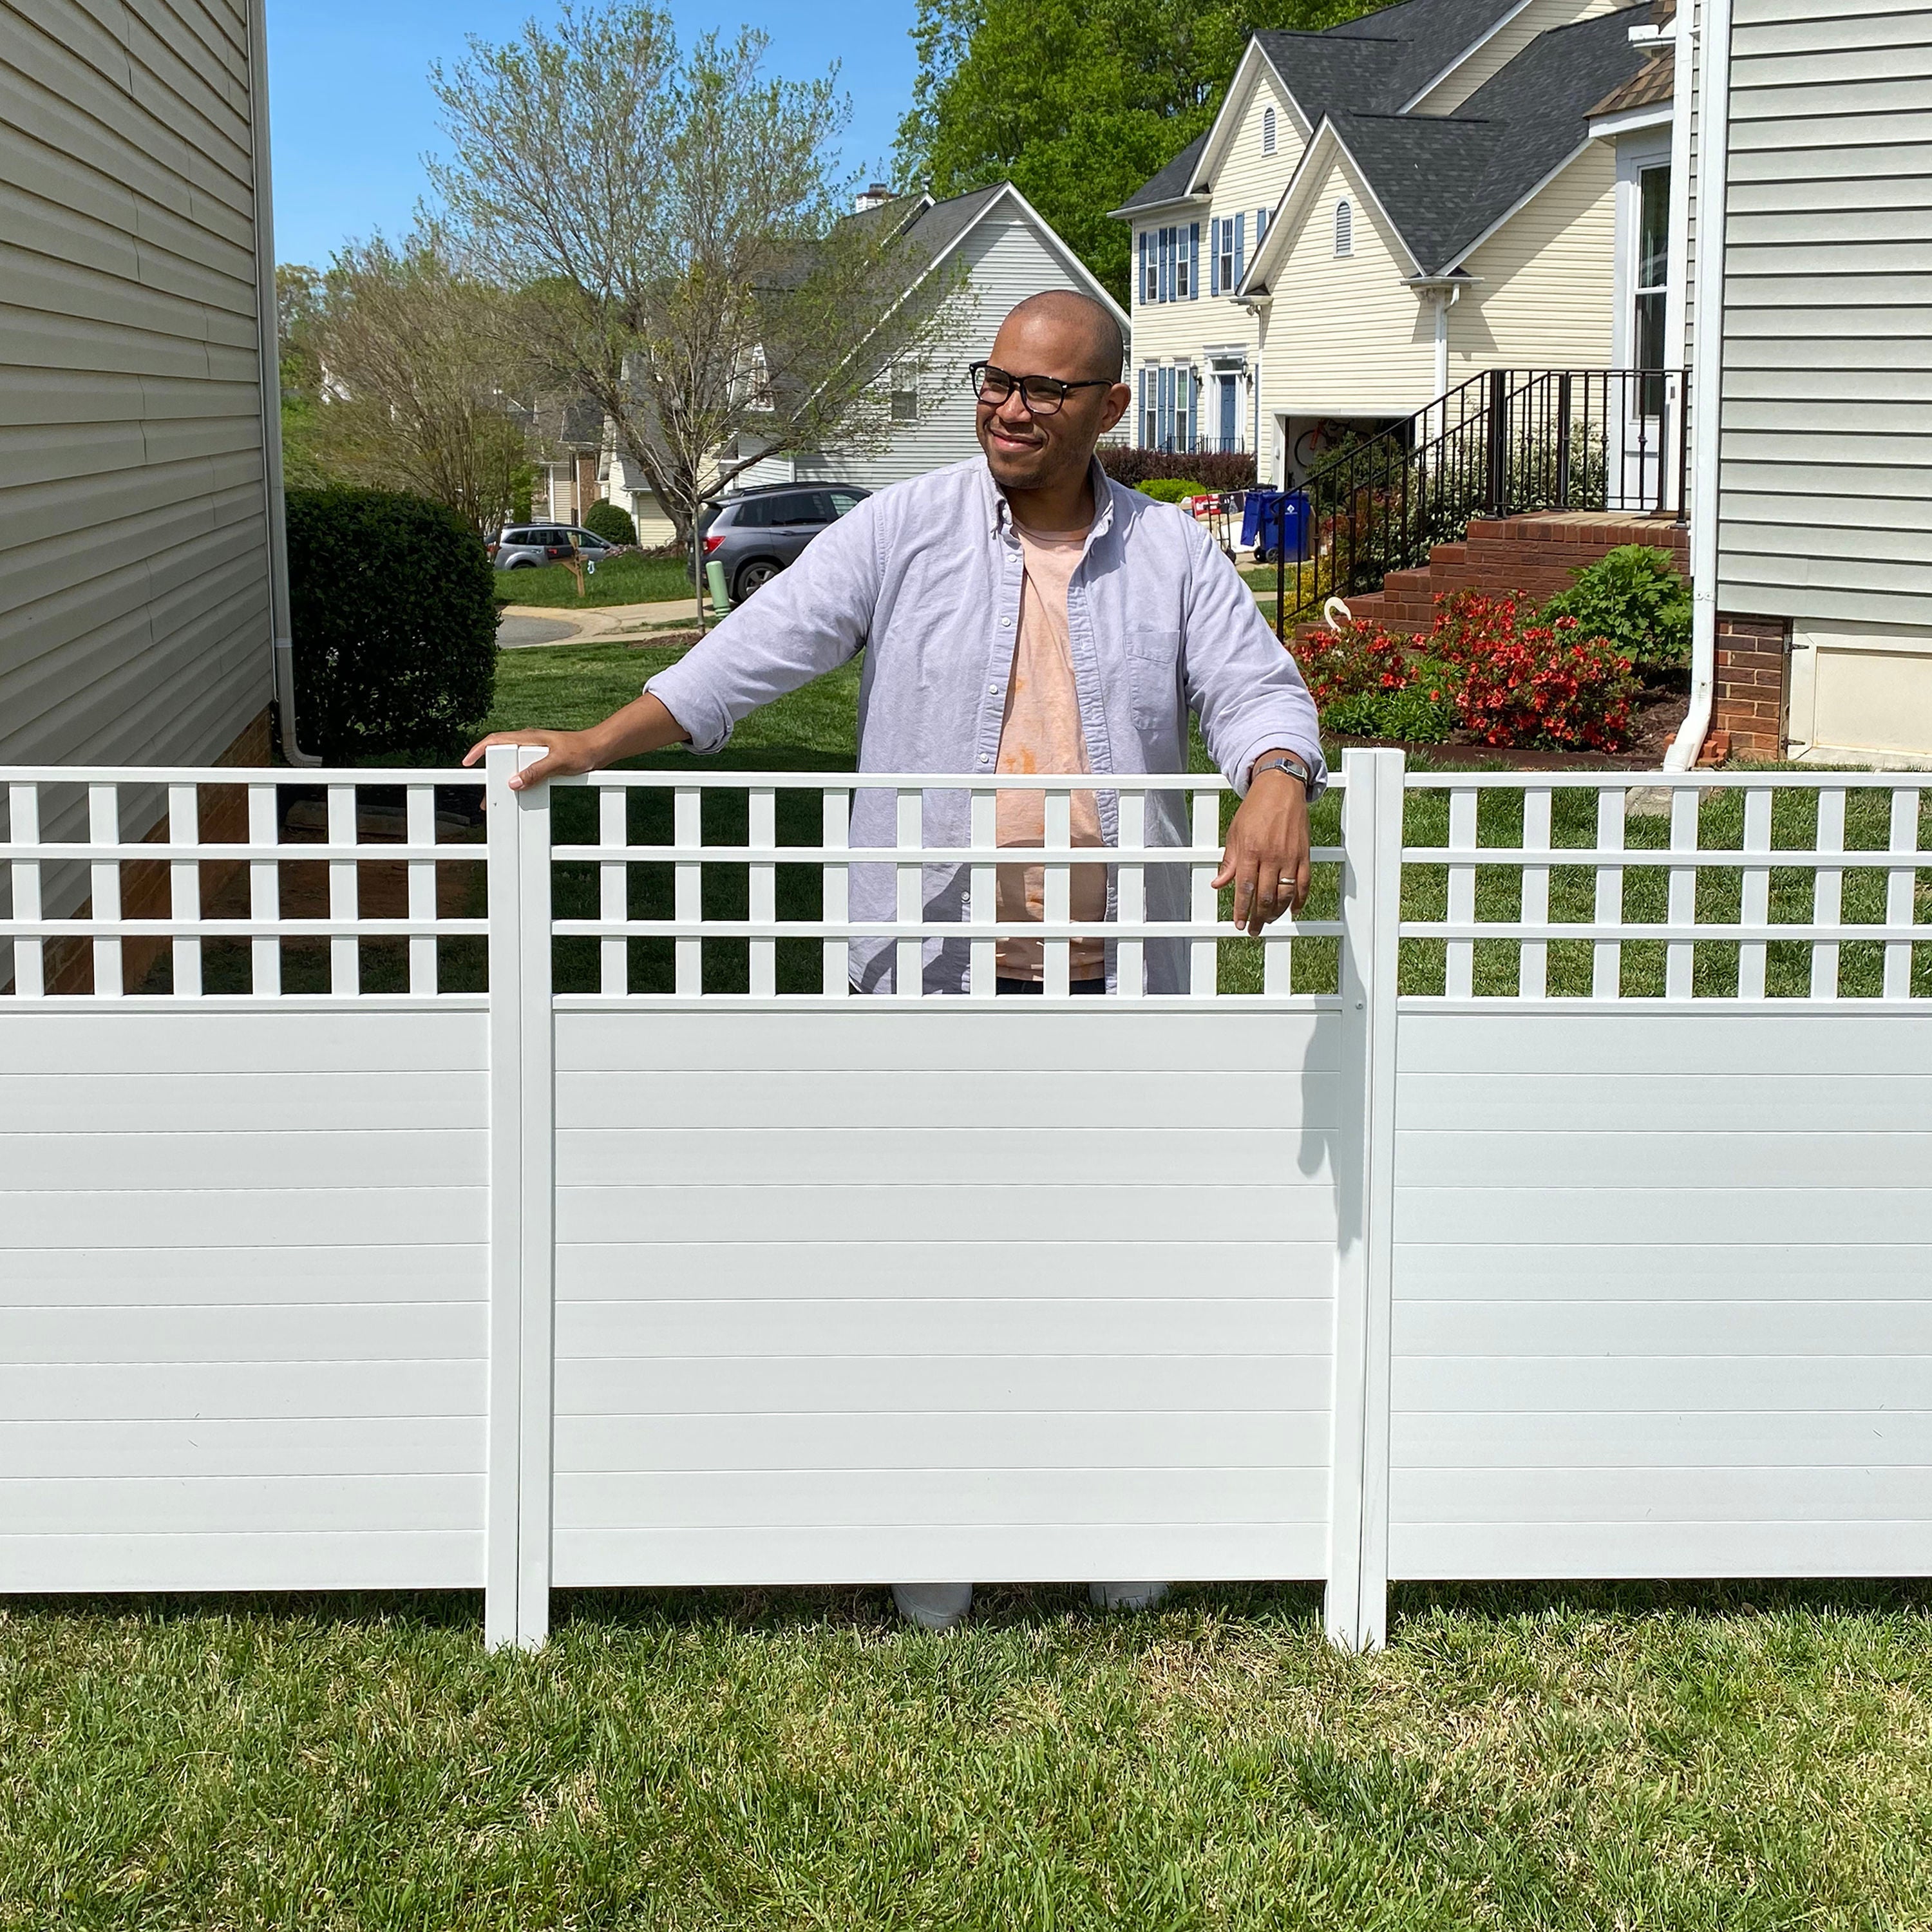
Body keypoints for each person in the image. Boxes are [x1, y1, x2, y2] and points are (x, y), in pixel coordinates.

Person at [467, 289, 1326, 1629]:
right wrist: (582, 746)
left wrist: (1279, 777)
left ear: (1109, 406)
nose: (1012, 406)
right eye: (998, 380)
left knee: (1115, 1254)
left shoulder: (1170, 557)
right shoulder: (904, 529)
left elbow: (1257, 690)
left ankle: (1120, 1519)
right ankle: (938, 1531)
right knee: (938, 1252)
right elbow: (748, 657)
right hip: (932, 967)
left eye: (1047, 390)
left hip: (1113, 973)